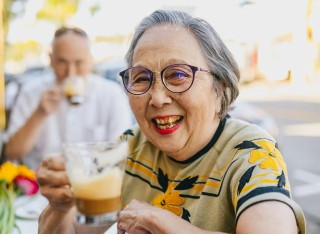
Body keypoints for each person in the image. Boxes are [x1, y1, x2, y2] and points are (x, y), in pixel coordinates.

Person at [37, 10, 306, 234]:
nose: (157, 97)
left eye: (178, 75)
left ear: (219, 87)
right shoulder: (131, 146)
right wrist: (59, 208)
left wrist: (157, 219)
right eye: (141, 78)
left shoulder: (252, 153)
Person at [4, 26, 133, 170]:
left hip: (95, 185)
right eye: (62, 62)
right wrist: (39, 114)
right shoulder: (31, 92)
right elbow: (12, 153)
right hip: (40, 185)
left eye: (79, 63)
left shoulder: (111, 94)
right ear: (51, 60)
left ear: (90, 61)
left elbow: (122, 151)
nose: (70, 73)